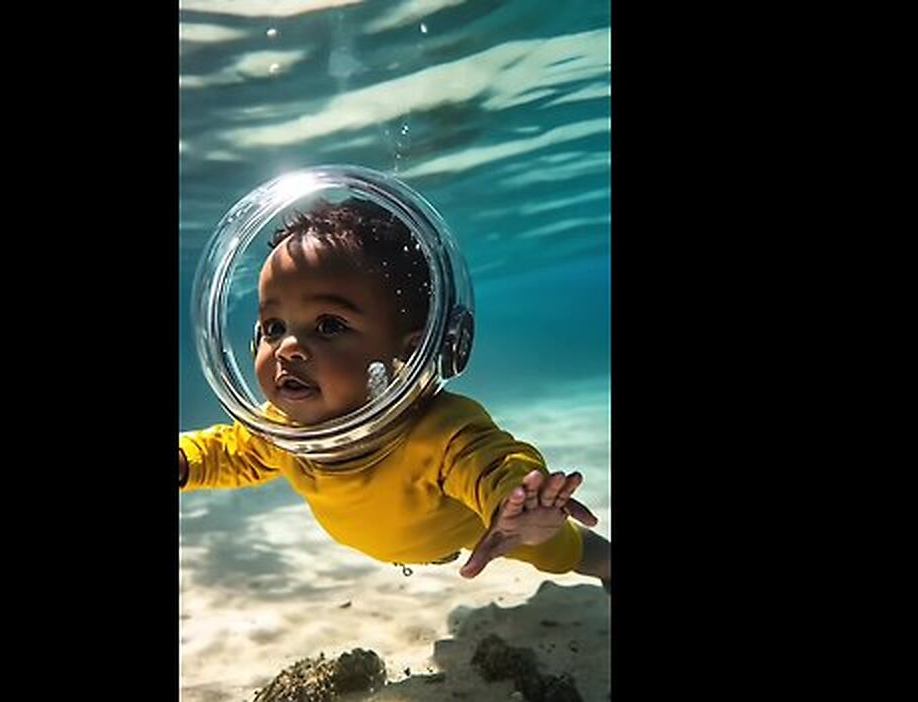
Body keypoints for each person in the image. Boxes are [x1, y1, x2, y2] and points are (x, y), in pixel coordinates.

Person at [180, 198, 611, 585]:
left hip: (486, 529)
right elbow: (226, 453)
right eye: (274, 327)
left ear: (409, 352)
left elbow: (495, 463)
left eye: (329, 325)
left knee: (567, 552)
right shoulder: (283, 431)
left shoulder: (440, 431)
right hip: (415, 542)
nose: (287, 347)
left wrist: (518, 505)